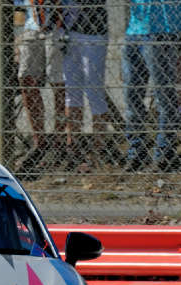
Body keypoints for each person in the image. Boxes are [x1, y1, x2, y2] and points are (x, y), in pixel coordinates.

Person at [122, 0, 181, 171]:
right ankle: (136, 151)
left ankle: (164, 152)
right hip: (134, 31)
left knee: (164, 95)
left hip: (160, 31)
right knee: (131, 95)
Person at [15, 0, 67, 172]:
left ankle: (59, 140)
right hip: (32, 26)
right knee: (26, 78)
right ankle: (39, 141)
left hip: (58, 25)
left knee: (58, 82)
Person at [59, 0, 110, 170]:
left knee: (94, 91)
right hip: (68, 32)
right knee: (71, 91)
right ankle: (72, 146)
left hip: (94, 33)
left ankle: (98, 147)